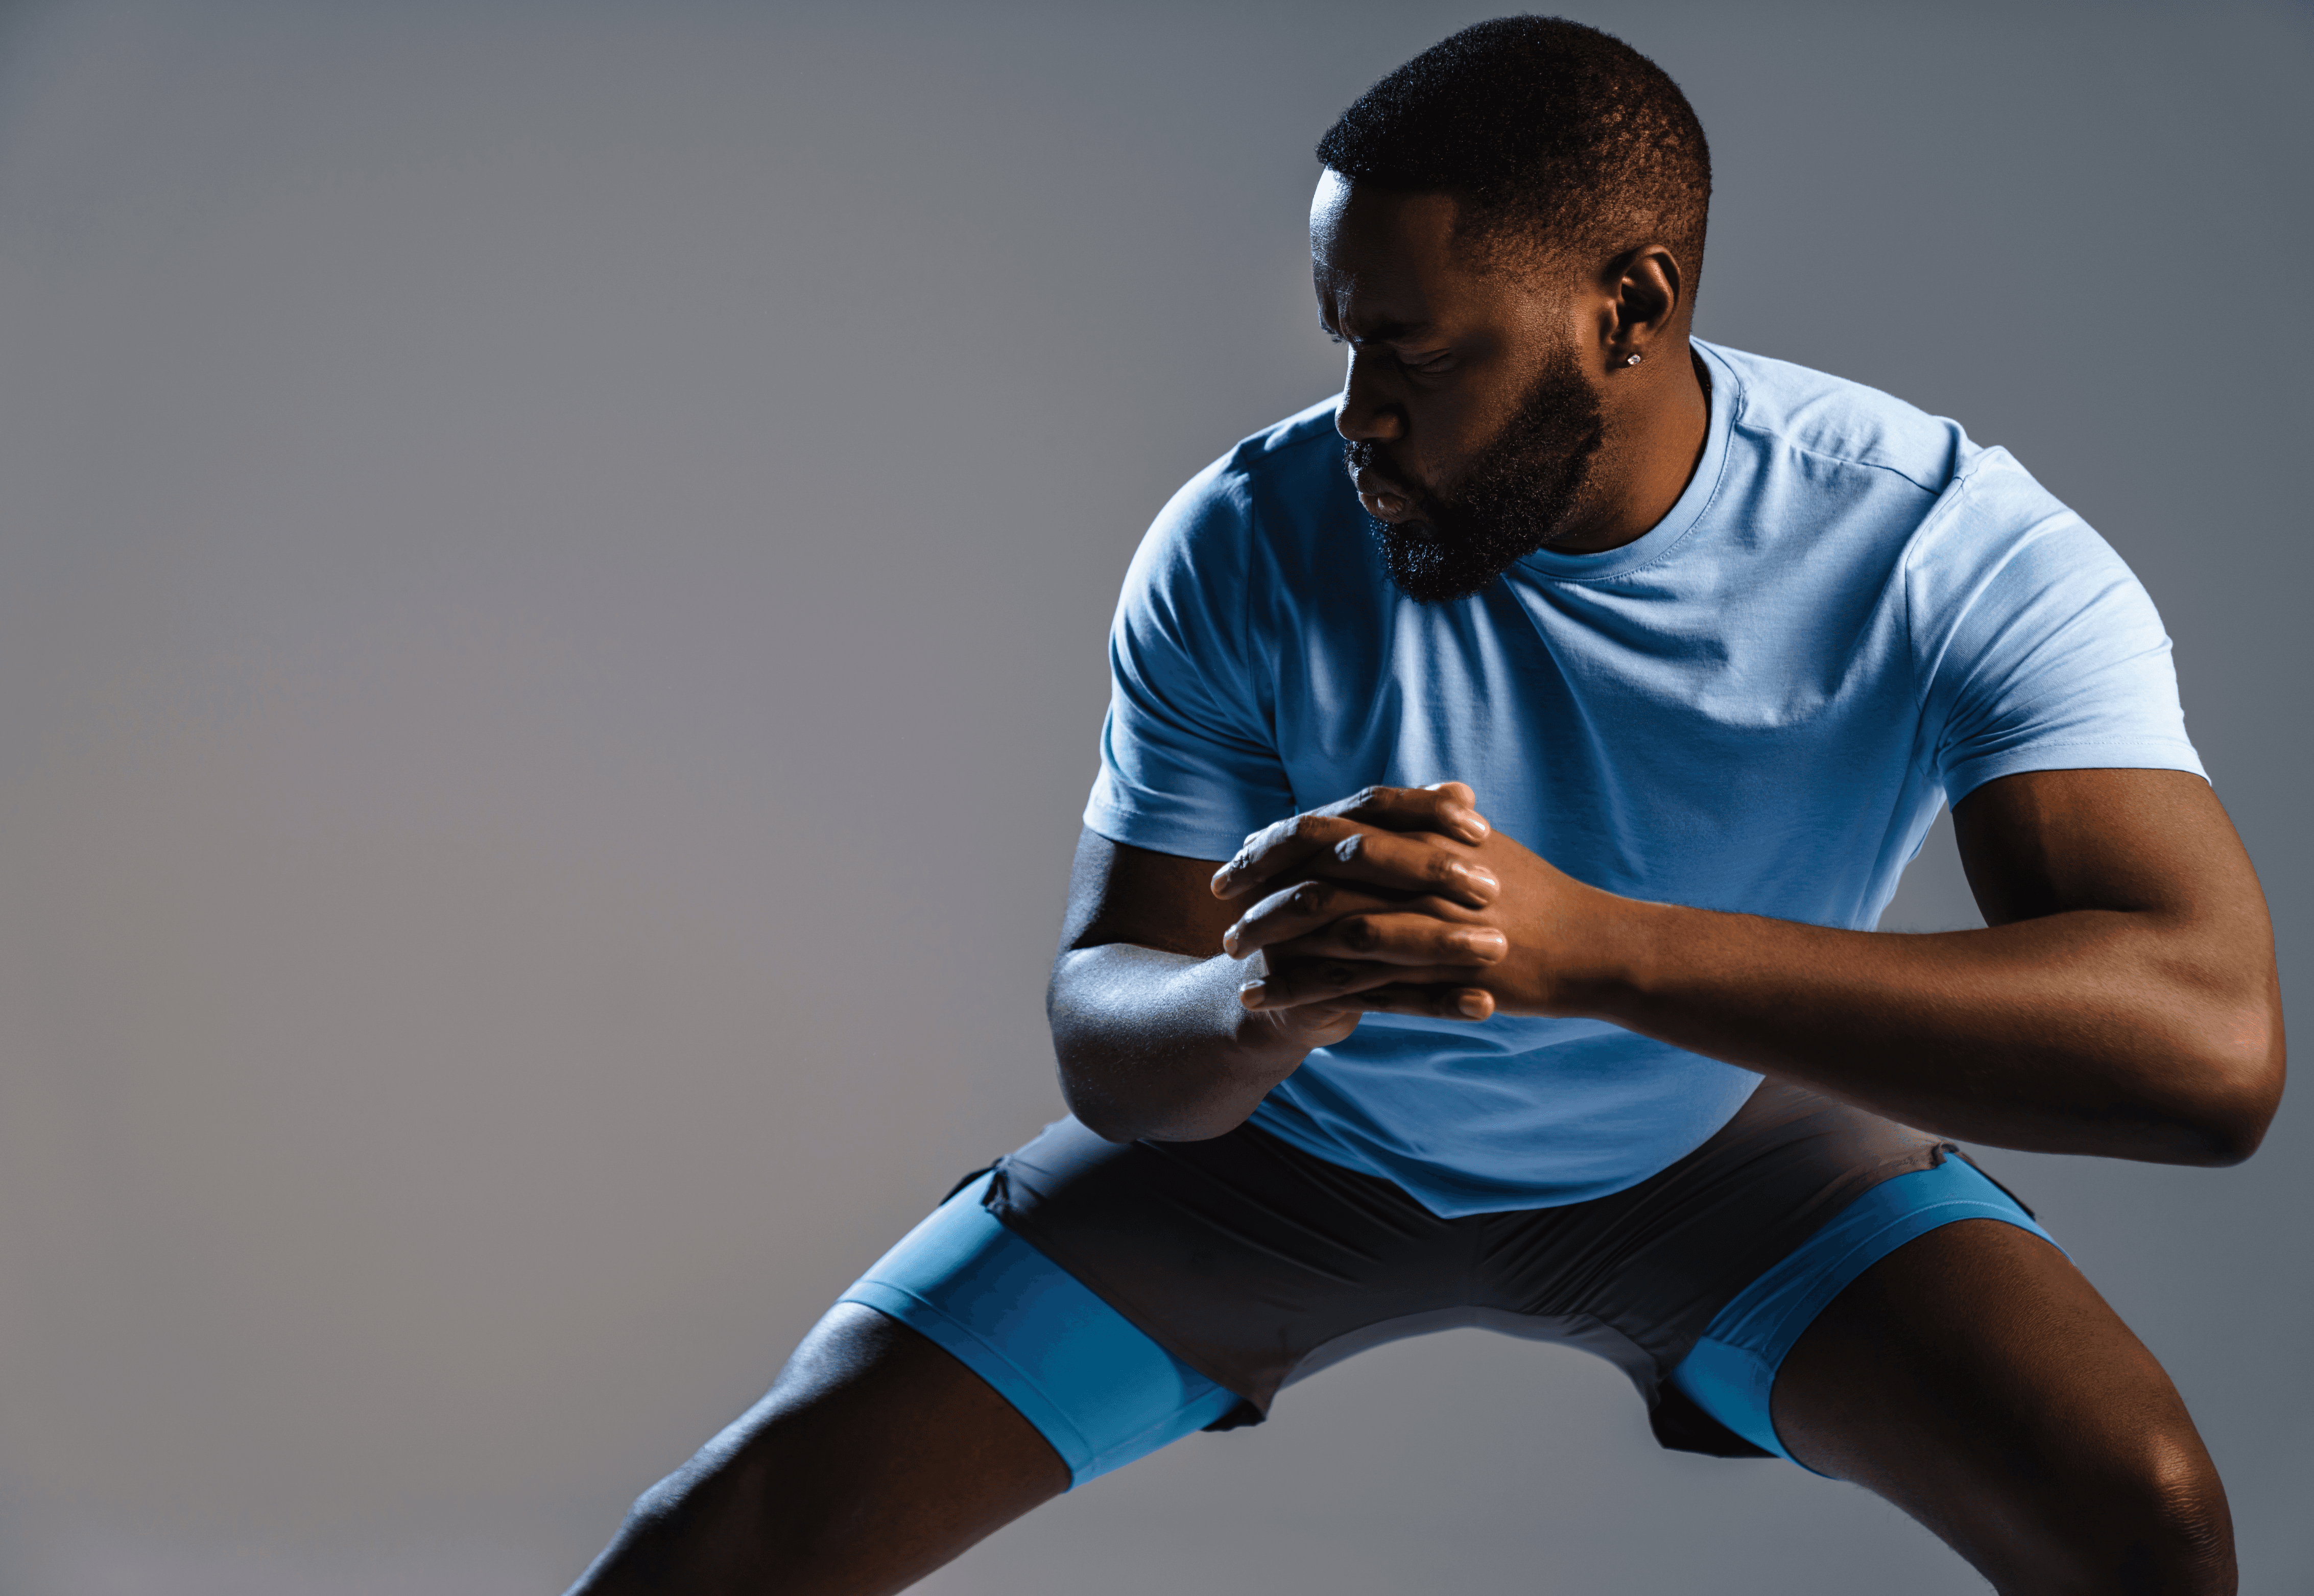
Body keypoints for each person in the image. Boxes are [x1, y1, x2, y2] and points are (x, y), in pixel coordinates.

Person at [565, 17, 2283, 1595]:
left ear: (1633, 305)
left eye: (1413, 351)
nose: (1357, 412)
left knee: (2145, 1512)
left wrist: (1589, 951)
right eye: (1340, 340)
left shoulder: (1943, 551)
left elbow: (2211, 1056)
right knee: (712, 1553)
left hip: (1727, 1158)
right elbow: (1106, 1034)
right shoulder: (1247, 535)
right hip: (1282, 1160)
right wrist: (1260, 995)